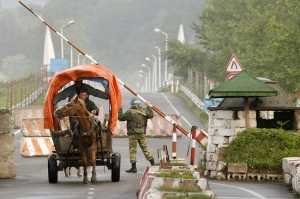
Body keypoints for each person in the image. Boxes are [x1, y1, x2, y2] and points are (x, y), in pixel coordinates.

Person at [118, 97, 155, 173]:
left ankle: (133, 168)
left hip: (132, 134)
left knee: (133, 150)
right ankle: (153, 164)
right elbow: (151, 115)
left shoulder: (130, 112)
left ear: (132, 104)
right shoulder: (144, 111)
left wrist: (120, 109)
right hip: (142, 133)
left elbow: (120, 118)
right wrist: (148, 105)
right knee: (145, 149)